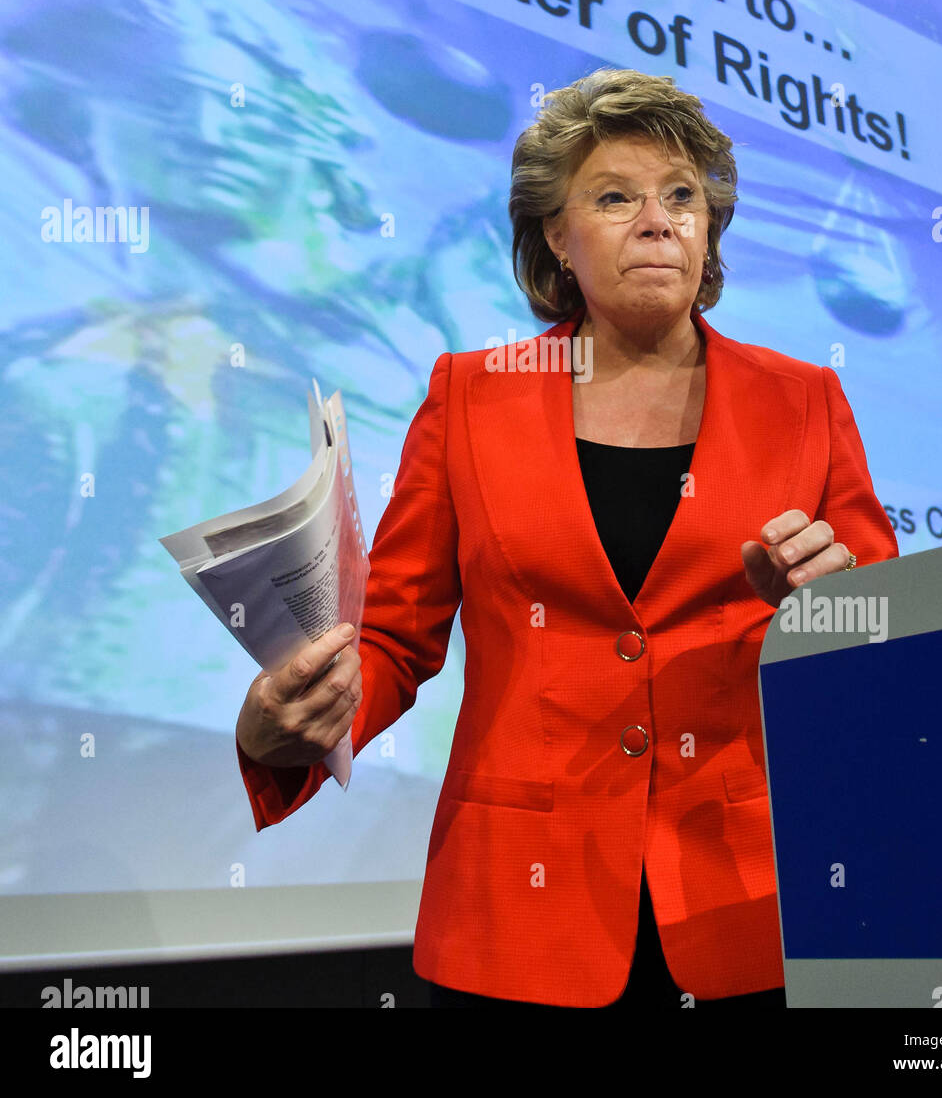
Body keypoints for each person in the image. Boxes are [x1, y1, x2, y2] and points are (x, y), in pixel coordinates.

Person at [235, 67, 899, 1009]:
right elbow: (392, 637)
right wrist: (294, 727)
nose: (660, 219)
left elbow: (886, 638)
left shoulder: (805, 401)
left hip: (744, 907)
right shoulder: (471, 394)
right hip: (515, 920)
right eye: (616, 197)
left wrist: (832, 604)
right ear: (557, 235)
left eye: (682, 197)